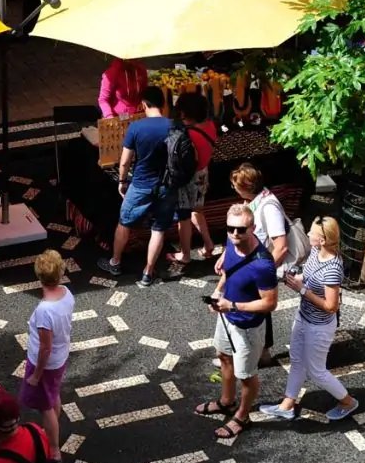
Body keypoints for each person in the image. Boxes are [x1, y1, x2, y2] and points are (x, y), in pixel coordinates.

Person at [260, 217, 359, 421]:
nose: (307, 235)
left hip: (320, 326)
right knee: (296, 360)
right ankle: (287, 404)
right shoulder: (315, 252)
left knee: (316, 371)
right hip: (303, 317)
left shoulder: (332, 268)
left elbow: (331, 307)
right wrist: (296, 280)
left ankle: (348, 402)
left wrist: (302, 290)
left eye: (312, 233)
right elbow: (308, 276)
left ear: (322, 240)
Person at [194, 204, 278, 439]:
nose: (234, 234)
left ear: (252, 228)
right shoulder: (232, 243)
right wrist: (219, 292)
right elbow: (229, 271)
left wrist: (232, 305)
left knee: (246, 374)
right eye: (230, 229)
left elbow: (270, 303)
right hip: (226, 316)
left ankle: (242, 416)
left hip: (248, 327)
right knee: (223, 356)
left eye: (241, 230)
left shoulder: (263, 264)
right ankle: (226, 401)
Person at [97, 86, 177, 288]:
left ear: (144, 104)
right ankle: (148, 272)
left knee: (124, 222)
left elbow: (124, 162)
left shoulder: (136, 128)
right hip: (166, 186)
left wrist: (122, 182)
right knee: (158, 229)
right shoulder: (175, 127)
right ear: (164, 104)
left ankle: (115, 262)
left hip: (141, 183)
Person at [215, 163, 289, 366]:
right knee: (258, 305)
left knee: (258, 304)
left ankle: (254, 355)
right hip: (253, 262)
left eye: (235, 185)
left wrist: (262, 271)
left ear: (246, 186)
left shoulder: (268, 207)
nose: (234, 189)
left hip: (259, 264)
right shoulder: (256, 200)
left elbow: (281, 246)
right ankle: (261, 353)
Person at [20, 251, 74, 460]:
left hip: (46, 363)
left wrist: (35, 375)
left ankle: (53, 448)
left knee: (45, 406)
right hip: (60, 357)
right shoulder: (66, 293)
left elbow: (45, 348)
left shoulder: (45, 311)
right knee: (53, 394)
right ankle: (53, 431)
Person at [166, 92, 217, 273]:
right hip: (203, 173)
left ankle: (185, 254)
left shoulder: (187, 134)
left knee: (184, 217)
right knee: (198, 210)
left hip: (189, 178)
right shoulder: (210, 125)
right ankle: (209, 244)